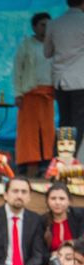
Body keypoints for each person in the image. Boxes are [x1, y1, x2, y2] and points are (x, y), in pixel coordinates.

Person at [13, 12, 55, 177]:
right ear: (34, 27)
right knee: (29, 132)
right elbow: (17, 71)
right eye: (42, 25)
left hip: (48, 94)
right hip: (30, 93)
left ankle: (47, 166)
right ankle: (28, 167)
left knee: (47, 131)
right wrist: (18, 93)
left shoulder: (54, 45)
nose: (46, 28)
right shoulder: (26, 45)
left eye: (48, 25)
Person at [44, 0, 84, 153]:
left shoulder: (54, 24)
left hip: (60, 81)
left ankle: (57, 161)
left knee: (64, 122)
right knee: (78, 123)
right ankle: (71, 162)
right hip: (81, 80)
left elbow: (47, 53)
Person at [41, 182, 84, 253]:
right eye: (53, 198)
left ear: (69, 201)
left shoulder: (80, 215)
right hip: (52, 262)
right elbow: (40, 251)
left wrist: (73, 244)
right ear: (47, 201)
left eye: (62, 199)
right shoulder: (42, 221)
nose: (57, 202)